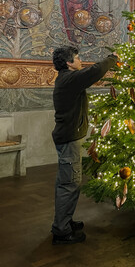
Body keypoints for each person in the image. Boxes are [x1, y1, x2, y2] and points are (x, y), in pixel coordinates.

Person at [51, 46, 117, 244]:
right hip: (68, 139)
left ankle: (65, 221)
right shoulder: (69, 79)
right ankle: (61, 230)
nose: (80, 61)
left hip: (68, 137)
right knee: (69, 184)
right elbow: (95, 71)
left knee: (68, 181)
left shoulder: (67, 79)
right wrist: (113, 58)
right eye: (77, 58)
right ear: (69, 63)